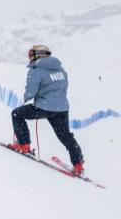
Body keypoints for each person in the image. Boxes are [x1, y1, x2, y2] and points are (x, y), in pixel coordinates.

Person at [8, 45, 84, 175]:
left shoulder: (36, 69)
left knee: (17, 114)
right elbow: (63, 86)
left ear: (39, 54)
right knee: (65, 135)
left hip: (44, 107)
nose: (30, 57)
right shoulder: (60, 69)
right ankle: (78, 163)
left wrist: (27, 97)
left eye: (31, 53)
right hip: (62, 108)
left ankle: (24, 145)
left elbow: (30, 91)